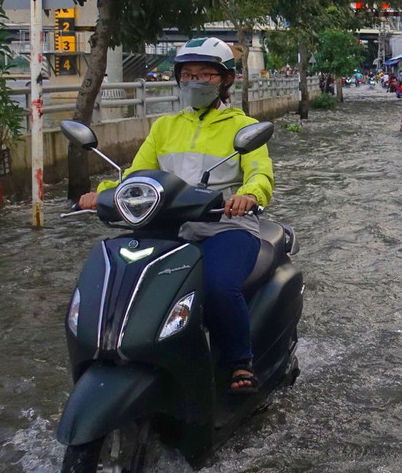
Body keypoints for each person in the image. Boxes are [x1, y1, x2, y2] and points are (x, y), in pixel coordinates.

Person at [78, 37, 273, 394]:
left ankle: (238, 361)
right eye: (188, 74)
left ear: (225, 80)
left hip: (225, 226)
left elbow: (261, 171)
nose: (195, 82)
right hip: (170, 227)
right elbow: (136, 176)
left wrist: (248, 195)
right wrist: (102, 194)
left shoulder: (242, 127)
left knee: (217, 285)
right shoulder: (164, 127)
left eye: (206, 75)